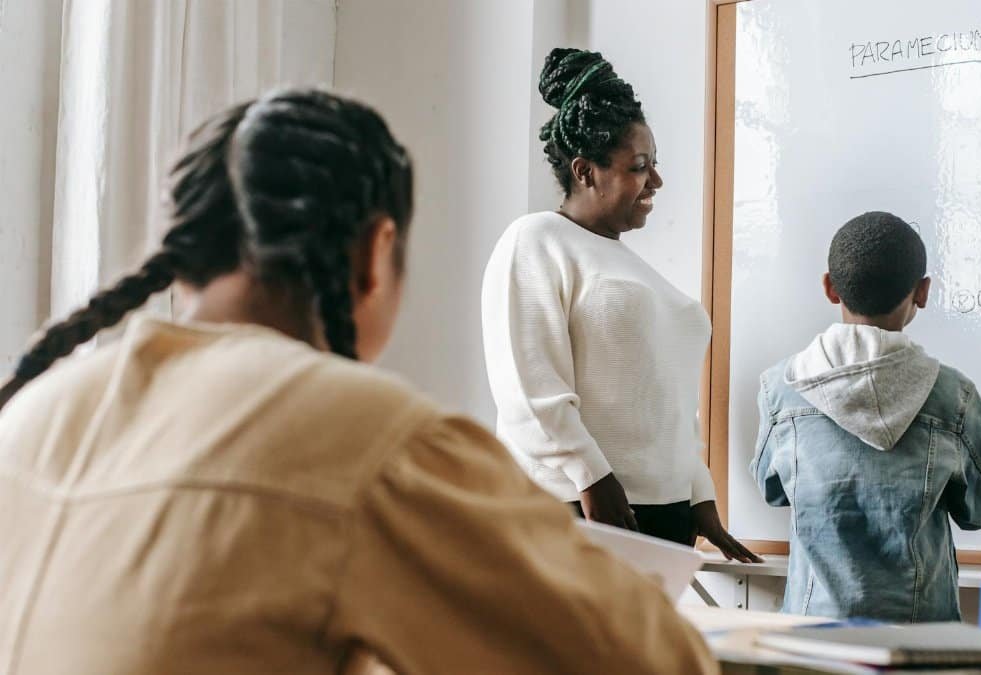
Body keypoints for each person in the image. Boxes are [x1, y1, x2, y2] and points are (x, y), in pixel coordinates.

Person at [0, 89, 717, 674]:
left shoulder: (32, 415)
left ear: (183, 257)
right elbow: (650, 660)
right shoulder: (375, 439)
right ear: (376, 253)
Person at [481, 48, 758, 563]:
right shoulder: (535, 240)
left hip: (663, 513)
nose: (656, 182)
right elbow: (529, 384)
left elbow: (670, 400)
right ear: (585, 172)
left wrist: (699, 494)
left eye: (654, 165)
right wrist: (591, 474)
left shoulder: (631, 265)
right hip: (581, 506)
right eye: (639, 167)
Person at [751, 211, 981, 622]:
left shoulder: (781, 390)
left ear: (830, 288)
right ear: (921, 292)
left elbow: (774, 491)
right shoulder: (953, 398)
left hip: (812, 636)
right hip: (922, 640)